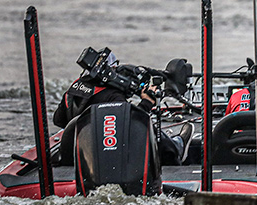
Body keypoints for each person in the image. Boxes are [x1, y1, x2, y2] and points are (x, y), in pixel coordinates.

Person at [54, 51, 192, 166]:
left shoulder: (74, 87)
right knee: (147, 126)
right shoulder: (112, 96)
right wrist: (147, 102)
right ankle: (175, 149)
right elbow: (130, 130)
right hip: (106, 157)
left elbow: (58, 120)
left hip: (78, 154)